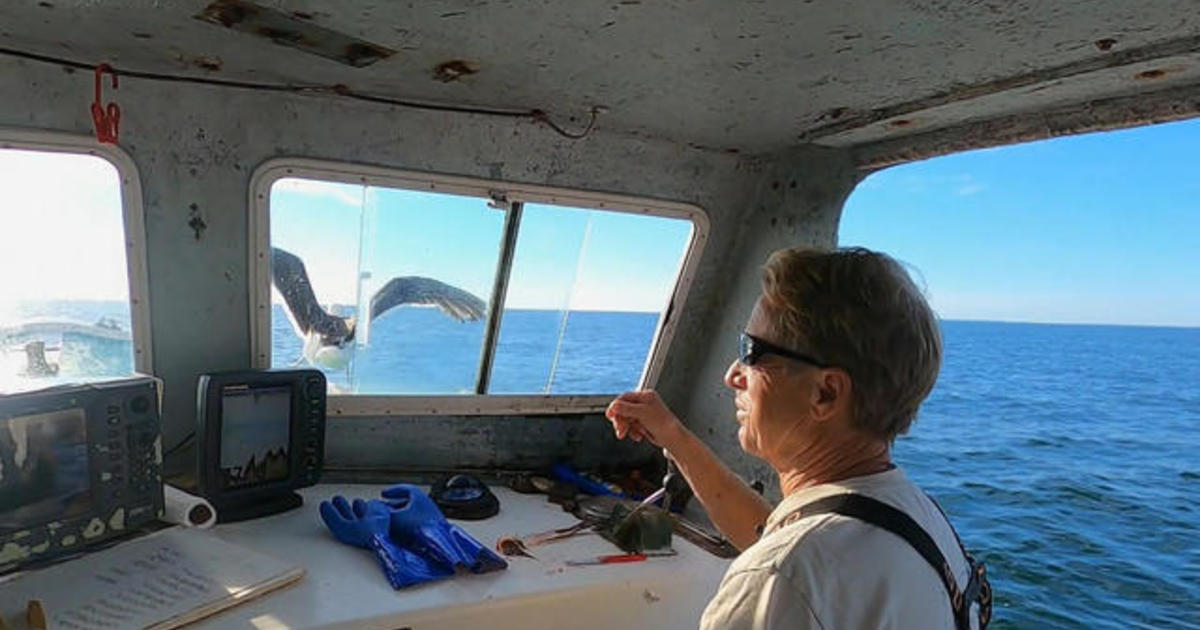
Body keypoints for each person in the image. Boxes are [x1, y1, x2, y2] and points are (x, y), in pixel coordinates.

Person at [606, 246, 989, 629]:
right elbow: (776, 534)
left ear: (826, 394)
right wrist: (673, 436)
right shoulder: (917, 520)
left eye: (751, 352)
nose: (732, 375)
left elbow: (787, 567)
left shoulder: (781, 580)